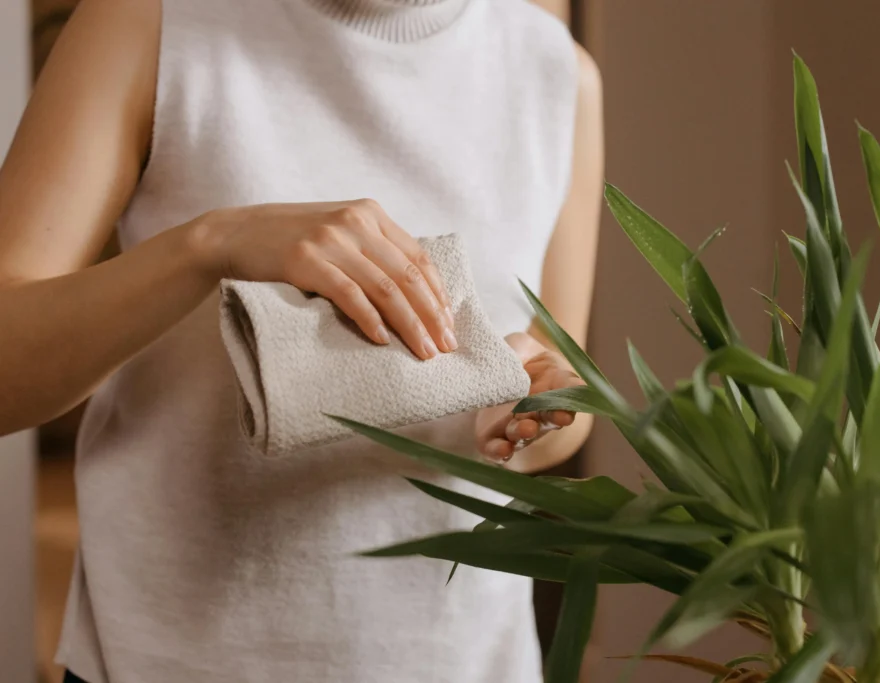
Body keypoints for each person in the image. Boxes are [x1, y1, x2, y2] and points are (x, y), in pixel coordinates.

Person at [0, 0, 603, 679]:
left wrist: (528, 413)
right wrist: (210, 245)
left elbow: (562, 390)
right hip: (169, 659)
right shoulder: (151, 24)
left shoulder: (557, 73)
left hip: (465, 658)